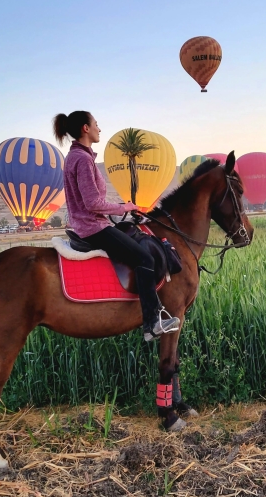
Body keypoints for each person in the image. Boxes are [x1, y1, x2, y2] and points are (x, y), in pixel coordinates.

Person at [54, 110, 180, 341]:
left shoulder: (76, 157)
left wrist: (123, 207)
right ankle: (152, 323)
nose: (99, 129)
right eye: (96, 124)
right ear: (85, 128)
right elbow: (92, 203)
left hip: (88, 224)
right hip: (93, 228)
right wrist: (124, 208)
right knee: (145, 258)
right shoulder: (82, 160)